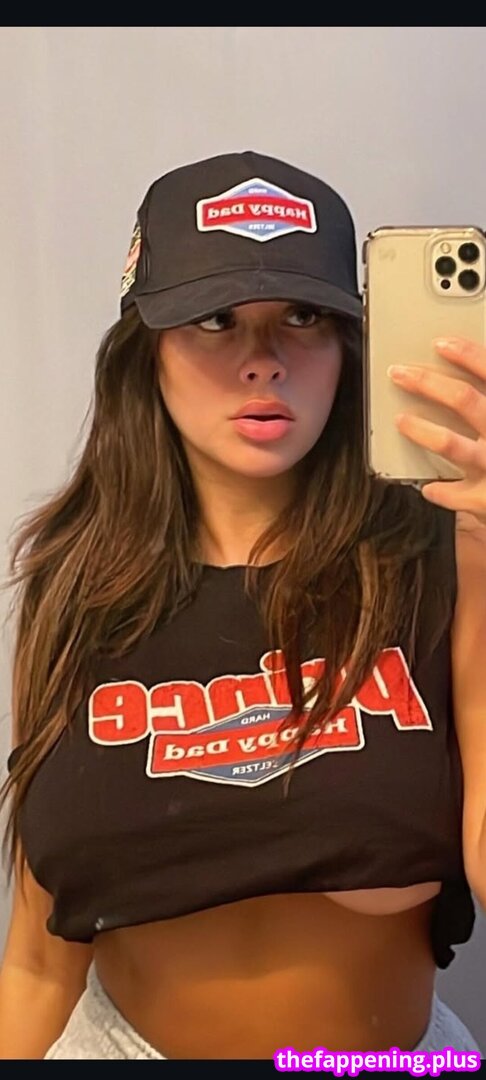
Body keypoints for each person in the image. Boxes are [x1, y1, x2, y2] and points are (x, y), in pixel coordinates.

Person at [0, 150, 484, 1060]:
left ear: (349, 346)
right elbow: (37, 955)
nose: (264, 363)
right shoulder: (80, 578)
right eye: (216, 319)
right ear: (147, 348)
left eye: (303, 317)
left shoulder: (441, 554)